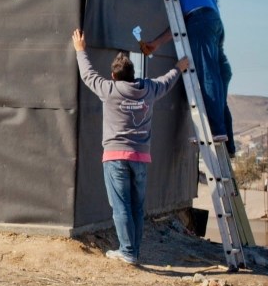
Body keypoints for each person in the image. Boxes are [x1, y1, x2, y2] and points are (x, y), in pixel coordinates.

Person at [73, 29, 186, 264]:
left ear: (113, 76)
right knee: (136, 207)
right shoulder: (149, 89)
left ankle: (127, 251)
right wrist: (179, 67)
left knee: (121, 206)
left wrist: (80, 50)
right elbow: (167, 81)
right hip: (140, 158)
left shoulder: (109, 89)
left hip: (115, 157)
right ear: (133, 74)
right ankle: (133, 251)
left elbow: (88, 75)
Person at [140, 0, 236, 155]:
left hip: (201, 21)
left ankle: (216, 130)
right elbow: (182, 23)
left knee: (207, 75)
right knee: (218, 79)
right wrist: (157, 42)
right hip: (212, 22)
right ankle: (227, 142)